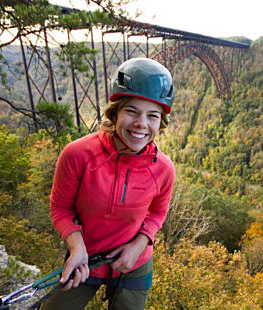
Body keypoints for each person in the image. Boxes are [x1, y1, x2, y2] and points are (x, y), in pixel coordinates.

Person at [40, 58, 175, 310]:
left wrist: (140, 244)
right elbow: (60, 207)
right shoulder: (78, 154)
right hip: (84, 260)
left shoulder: (164, 169)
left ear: (160, 123)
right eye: (132, 111)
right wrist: (76, 247)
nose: (141, 124)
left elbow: (158, 212)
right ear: (115, 113)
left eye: (152, 116)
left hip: (134, 264)